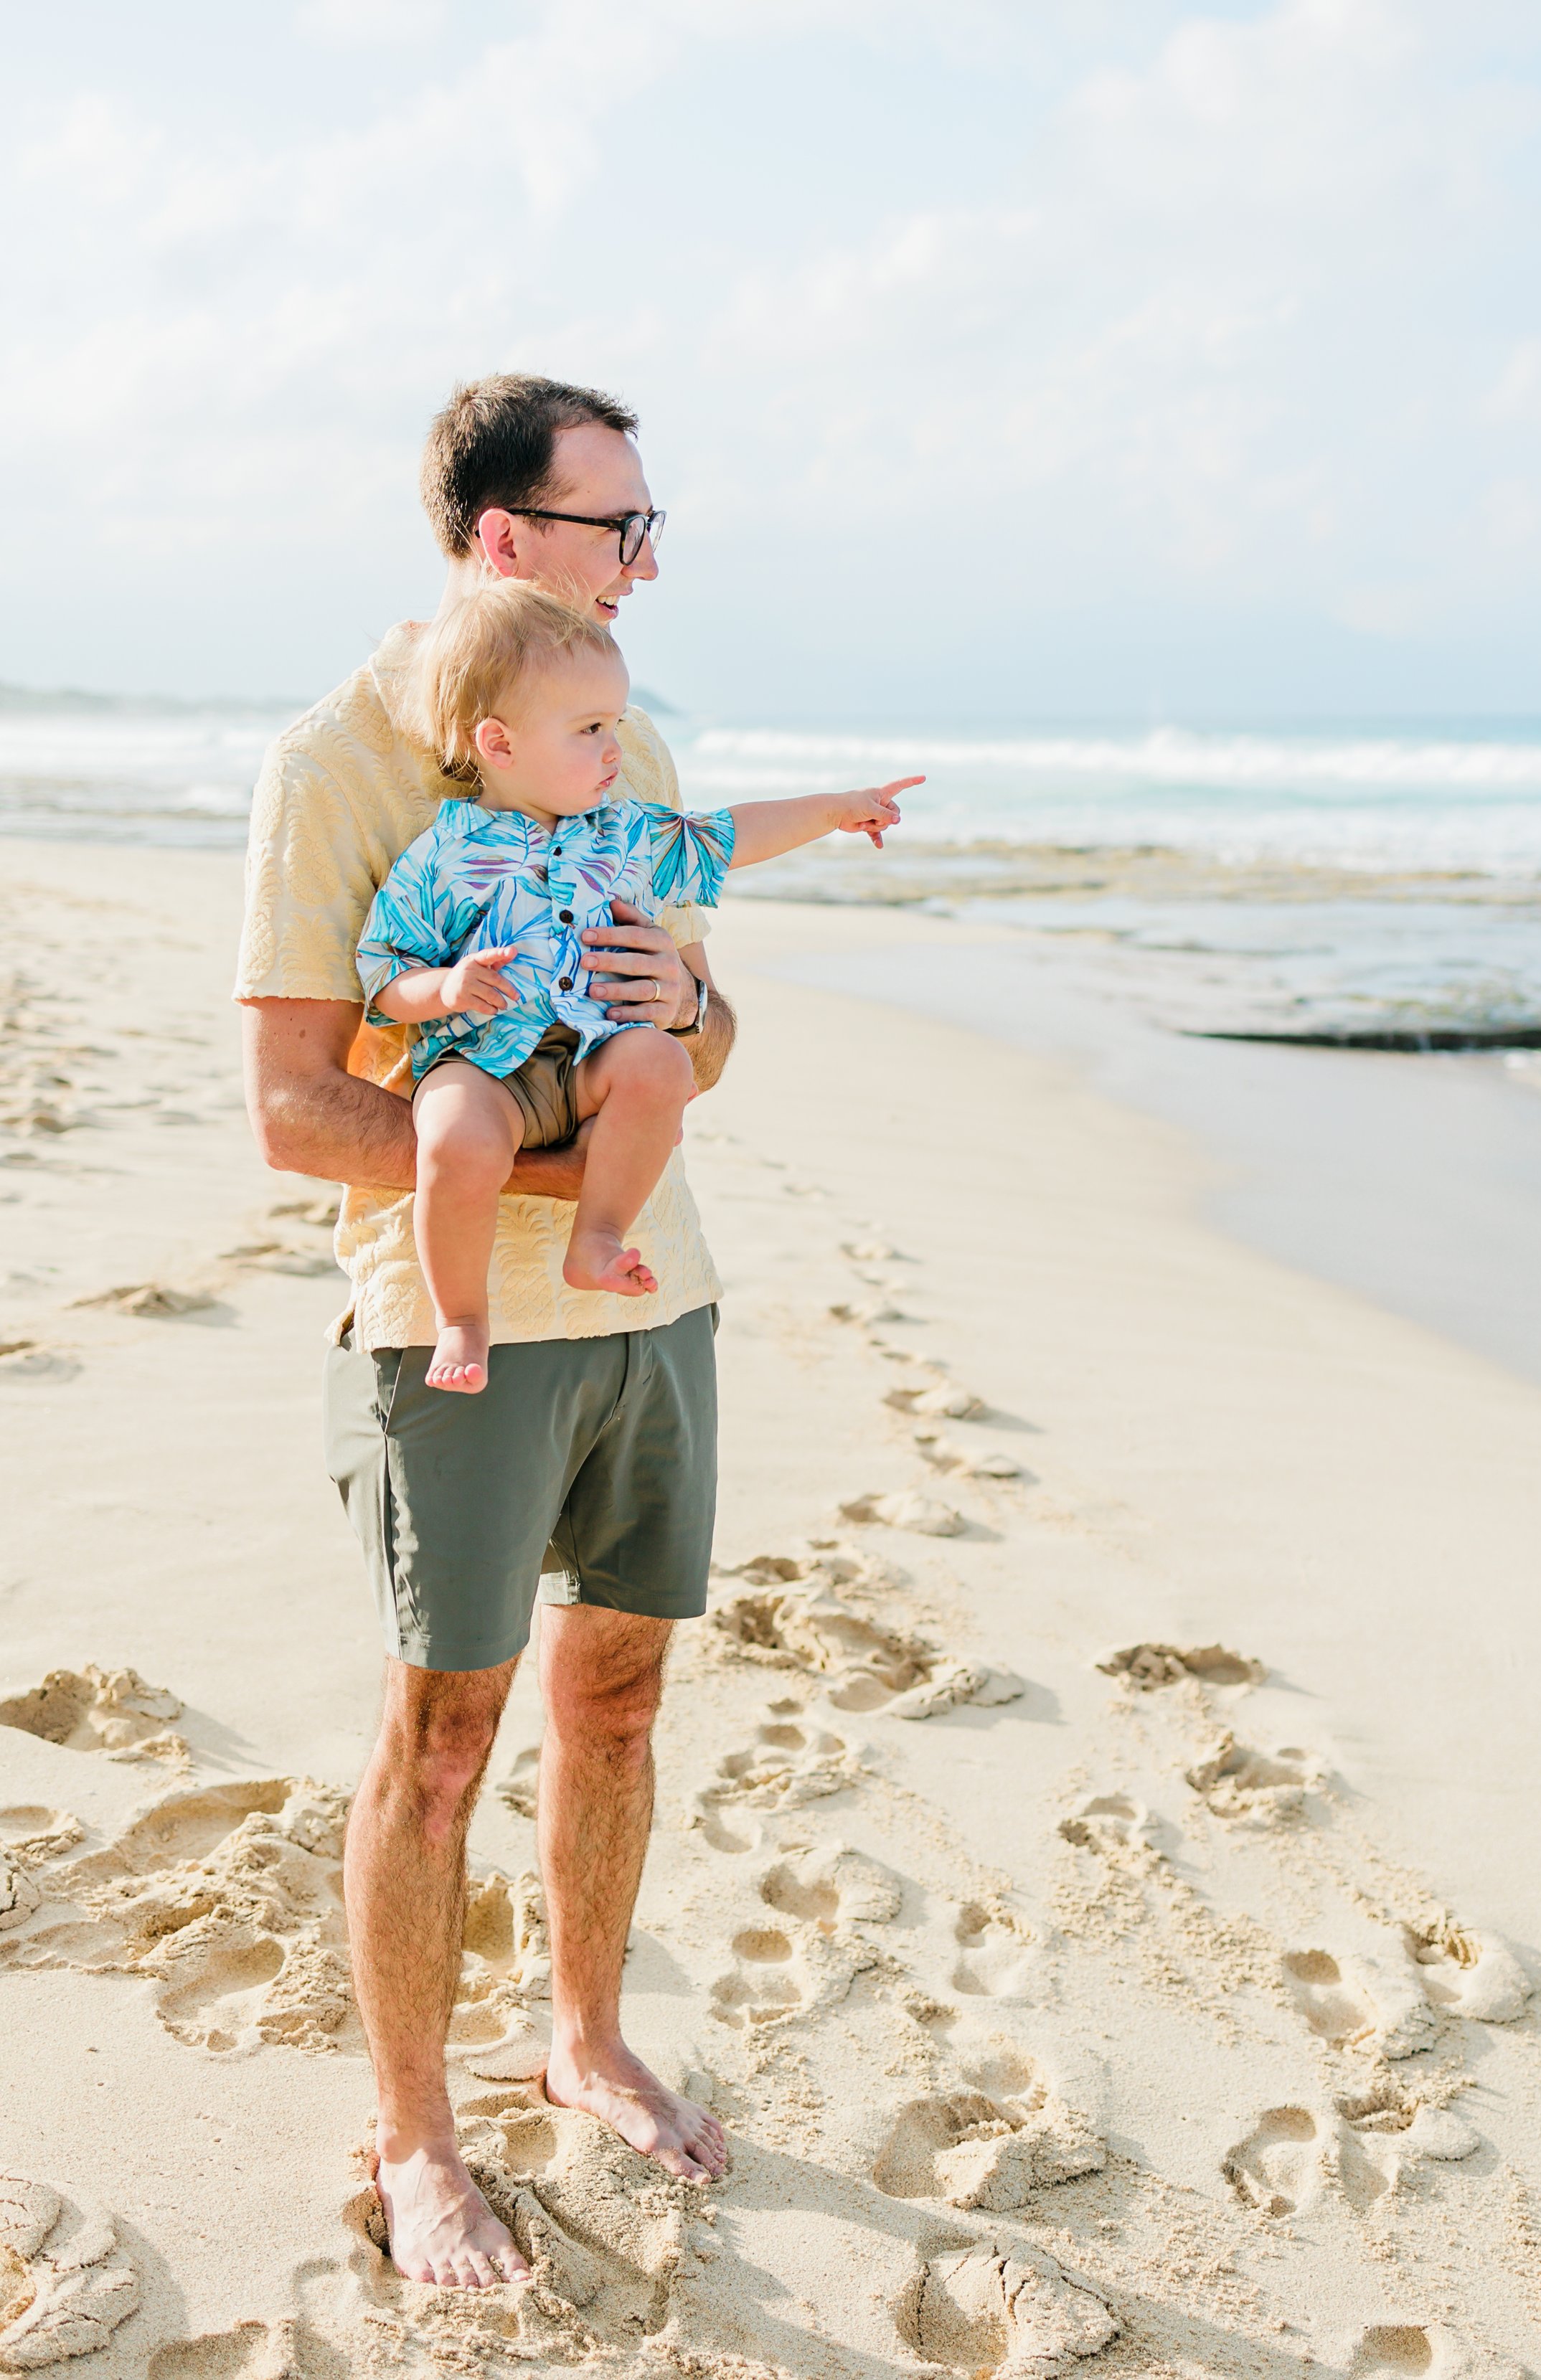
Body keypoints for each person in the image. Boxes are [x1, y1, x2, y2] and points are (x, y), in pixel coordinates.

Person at [237, 376, 745, 2290]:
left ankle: (587, 2033)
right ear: (503, 538)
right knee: (439, 1744)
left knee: (615, 1699)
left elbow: (711, 1042)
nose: (648, 560)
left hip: (657, 1298)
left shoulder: (630, 746)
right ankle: (414, 2132)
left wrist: (675, 1013)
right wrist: (540, 1184)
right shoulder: (336, 762)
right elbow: (296, 1112)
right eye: (620, 527)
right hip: (446, 1326)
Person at [357, 580, 918, 1387]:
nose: (614, 749)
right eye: (589, 730)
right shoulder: (442, 856)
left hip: (590, 1055)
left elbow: (731, 834)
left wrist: (837, 808)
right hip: (482, 1065)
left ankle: (598, 1238)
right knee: (450, 1138)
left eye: (614, 724)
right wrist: (446, 990)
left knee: (661, 1062)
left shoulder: (624, 832)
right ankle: (461, 1322)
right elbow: (384, 976)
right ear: (500, 744)